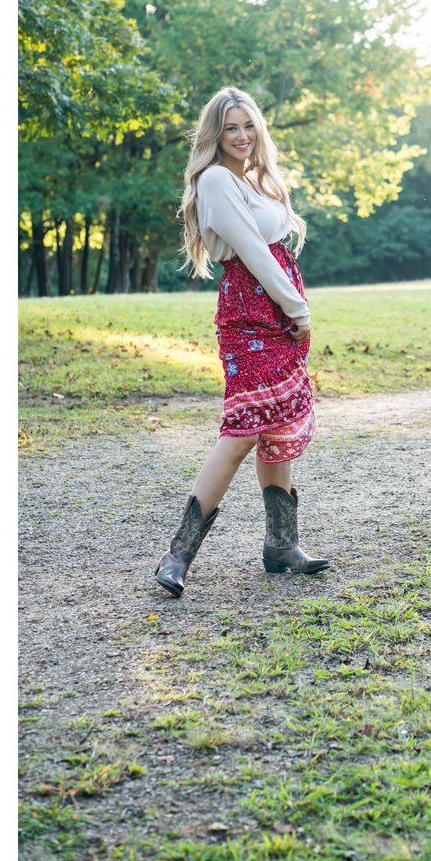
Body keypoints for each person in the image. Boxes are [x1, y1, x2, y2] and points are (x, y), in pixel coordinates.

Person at [154, 86, 330, 598]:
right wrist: (297, 307)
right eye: (231, 127)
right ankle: (178, 554)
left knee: (279, 423)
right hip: (252, 316)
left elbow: (272, 244)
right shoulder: (214, 181)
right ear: (215, 133)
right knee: (243, 429)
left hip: (275, 309)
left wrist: (293, 305)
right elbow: (255, 251)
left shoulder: (249, 180)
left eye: (248, 125)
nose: (242, 136)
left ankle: (282, 547)